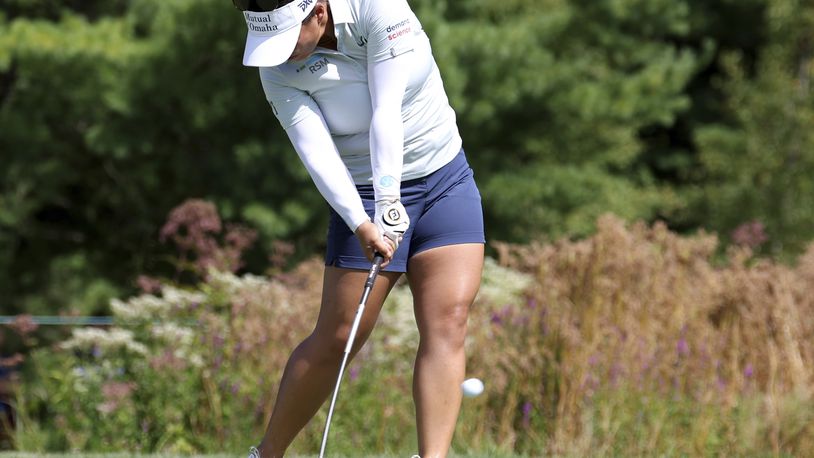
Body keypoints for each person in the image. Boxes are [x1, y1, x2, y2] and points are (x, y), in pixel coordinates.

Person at [231, 0, 485, 456]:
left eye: (287, 39)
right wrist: (362, 220)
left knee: (448, 321)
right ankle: (267, 454)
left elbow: (385, 112)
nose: (282, 54)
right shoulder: (277, 69)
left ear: (319, 13)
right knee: (340, 334)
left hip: (445, 176)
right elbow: (316, 154)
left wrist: (390, 200)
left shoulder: (379, 9)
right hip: (361, 192)